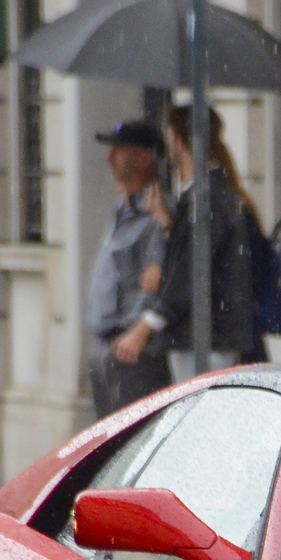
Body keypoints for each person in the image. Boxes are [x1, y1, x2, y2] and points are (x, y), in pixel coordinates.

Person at [112, 104, 271, 382]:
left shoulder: (206, 197)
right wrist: (168, 224)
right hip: (204, 334)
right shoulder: (203, 195)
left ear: (179, 141)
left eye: (169, 134)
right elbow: (197, 255)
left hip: (207, 337)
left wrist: (144, 327)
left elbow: (191, 273)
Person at [84, 119, 169, 417]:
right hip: (106, 345)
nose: (109, 158)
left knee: (129, 444)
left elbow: (157, 282)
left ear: (145, 158)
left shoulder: (155, 213)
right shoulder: (121, 211)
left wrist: (136, 331)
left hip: (132, 351)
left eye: (119, 150)